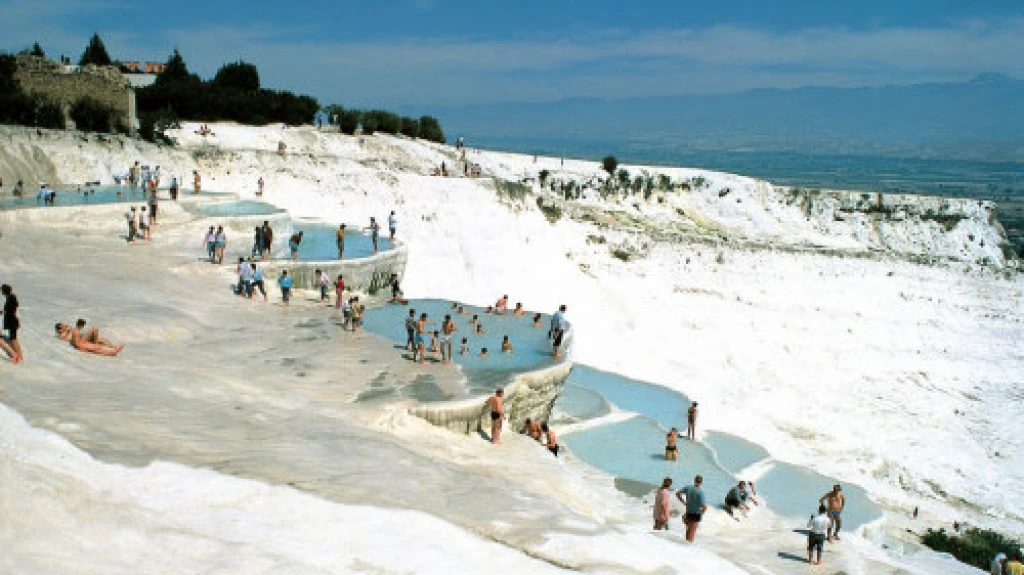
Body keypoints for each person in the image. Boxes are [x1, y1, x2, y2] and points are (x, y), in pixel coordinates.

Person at [676, 475, 707, 542]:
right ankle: (688, 547)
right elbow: (704, 506)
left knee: (688, 531)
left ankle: (683, 545)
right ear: (701, 482)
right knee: (692, 533)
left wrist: (683, 502)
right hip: (696, 514)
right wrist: (702, 513)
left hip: (688, 512)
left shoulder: (688, 488)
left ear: (694, 480)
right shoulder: (700, 492)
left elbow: (677, 493)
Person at [1, 284, 23, 363]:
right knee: (14, 338)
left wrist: (3, 312)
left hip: (11, 321)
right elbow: (11, 310)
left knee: (13, 339)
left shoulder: (10, 298)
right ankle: (19, 356)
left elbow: (9, 311)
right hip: (13, 320)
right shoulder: (11, 297)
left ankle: (17, 357)